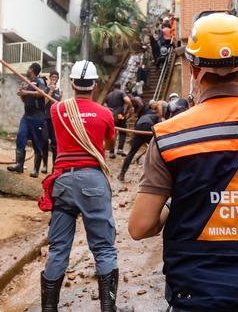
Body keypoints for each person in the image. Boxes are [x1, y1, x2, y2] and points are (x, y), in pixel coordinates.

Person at [128, 13, 238, 311]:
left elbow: (140, 227)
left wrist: (180, 204)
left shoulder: (168, 136)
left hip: (196, 300)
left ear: (193, 68)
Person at [40, 60, 119, 312]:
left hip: (63, 182)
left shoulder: (57, 110)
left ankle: (49, 309)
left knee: (58, 247)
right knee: (104, 247)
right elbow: (108, 143)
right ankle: (108, 308)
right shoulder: (105, 114)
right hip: (93, 180)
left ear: (72, 84)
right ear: (94, 85)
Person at [7, 63, 48, 178]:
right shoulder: (28, 83)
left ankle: (36, 169)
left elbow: (42, 93)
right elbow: (25, 100)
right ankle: (19, 165)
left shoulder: (40, 81)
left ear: (32, 69)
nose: (27, 70)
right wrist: (21, 93)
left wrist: (27, 92)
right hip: (27, 116)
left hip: (37, 116)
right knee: (21, 137)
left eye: (29, 68)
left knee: (37, 143)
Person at [117, 102, 162, 181]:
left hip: (139, 129)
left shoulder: (143, 116)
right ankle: (155, 177)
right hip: (148, 128)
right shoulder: (157, 116)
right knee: (157, 152)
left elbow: (137, 126)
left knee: (131, 153)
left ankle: (122, 174)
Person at [39, 70, 63, 173]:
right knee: (44, 141)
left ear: (58, 79)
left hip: (54, 120)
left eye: (55, 77)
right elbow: (44, 103)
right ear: (50, 78)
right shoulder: (45, 89)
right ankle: (44, 165)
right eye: (52, 77)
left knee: (54, 143)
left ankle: (55, 166)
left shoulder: (60, 92)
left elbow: (59, 105)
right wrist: (51, 91)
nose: (54, 79)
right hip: (45, 118)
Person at [104, 82, 131, 158]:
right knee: (123, 131)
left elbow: (105, 106)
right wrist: (130, 107)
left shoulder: (108, 95)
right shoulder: (121, 93)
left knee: (112, 133)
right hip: (120, 116)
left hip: (111, 116)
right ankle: (120, 149)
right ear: (120, 86)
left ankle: (111, 152)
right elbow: (128, 101)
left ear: (113, 87)